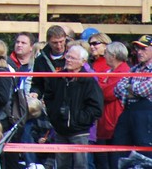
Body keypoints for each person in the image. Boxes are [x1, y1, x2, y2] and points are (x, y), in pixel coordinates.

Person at [44, 45, 103, 169]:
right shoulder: (57, 78)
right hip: (60, 130)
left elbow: (96, 108)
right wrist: (54, 116)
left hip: (80, 132)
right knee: (61, 165)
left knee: (81, 165)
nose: (68, 60)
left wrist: (79, 120)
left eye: (73, 58)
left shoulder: (89, 81)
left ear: (83, 62)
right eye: (68, 57)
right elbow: (48, 98)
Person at [112, 34, 152, 155]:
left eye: (143, 49)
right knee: (118, 148)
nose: (139, 52)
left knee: (145, 151)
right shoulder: (134, 69)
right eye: (137, 49)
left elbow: (143, 90)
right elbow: (117, 89)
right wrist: (133, 90)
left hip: (147, 115)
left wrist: (129, 87)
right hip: (128, 112)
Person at [97, 41, 129, 169]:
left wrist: (98, 86)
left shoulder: (124, 71)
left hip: (115, 121)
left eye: (106, 53)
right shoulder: (110, 71)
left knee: (114, 160)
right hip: (107, 121)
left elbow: (108, 93)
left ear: (113, 55)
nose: (104, 56)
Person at [30, 25, 68, 100]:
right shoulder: (40, 60)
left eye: (61, 41)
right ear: (48, 42)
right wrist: (35, 93)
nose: (59, 46)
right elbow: (37, 83)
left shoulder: (74, 56)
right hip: (51, 101)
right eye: (55, 43)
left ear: (65, 39)